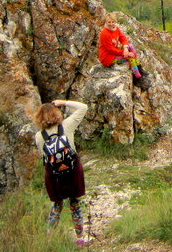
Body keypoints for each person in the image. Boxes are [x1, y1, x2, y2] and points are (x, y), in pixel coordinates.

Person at [34, 100, 89, 246]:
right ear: (56, 114)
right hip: (72, 171)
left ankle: (50, 237)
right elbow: (83, 107)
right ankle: (80, 238)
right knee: (75, 202)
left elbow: (44, 157)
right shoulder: (66, 126)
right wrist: (63, 102)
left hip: (54, 176)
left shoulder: (39, 136)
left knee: (57, 205)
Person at [99, 13, 145, 80]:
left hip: (115, 52)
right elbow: (110, 49)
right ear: (106, 22)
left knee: (130, 47)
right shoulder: (105, 33)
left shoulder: (116, 29)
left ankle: (139, 68)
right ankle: (138, 76)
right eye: (109, 22)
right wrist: (124, 53)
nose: (111, 24)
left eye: (113, 22)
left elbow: (123, 38)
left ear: (115, 21)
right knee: (130, 56)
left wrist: (125, 49)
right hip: (108, 57)